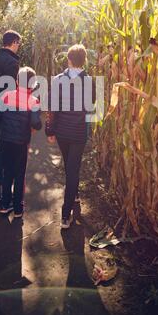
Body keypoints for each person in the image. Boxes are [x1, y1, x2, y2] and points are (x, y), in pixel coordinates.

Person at [45, 44, 95, 229]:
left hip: (62, 133)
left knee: (70, 165)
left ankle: (72, 198)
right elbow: (91, 106)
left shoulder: (58, 80)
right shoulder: (90, 81)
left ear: (68, 60)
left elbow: (51, 106)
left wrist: (50, 131)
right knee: (73, 169)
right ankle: (66, 216)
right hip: (79, 132)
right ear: (84, 61)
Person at [0, 66, 42, 218]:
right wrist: (37, 125)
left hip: (5, 140)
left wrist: (3, 127)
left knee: (7, 171)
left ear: (16, 81)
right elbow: (36, 123)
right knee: (20, 174)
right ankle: (18, 209)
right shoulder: (33, 101)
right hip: (21, 142)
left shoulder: (6, 96)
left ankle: (4, 204)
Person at [0, 30, 21, 193]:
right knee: (5, 143)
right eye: (18, 43)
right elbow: (10, 90)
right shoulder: (12, 62)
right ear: (14, 42)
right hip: (5, 109)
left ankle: (0, 179)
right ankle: (1, 180)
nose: (19, 47)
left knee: (2, 141)